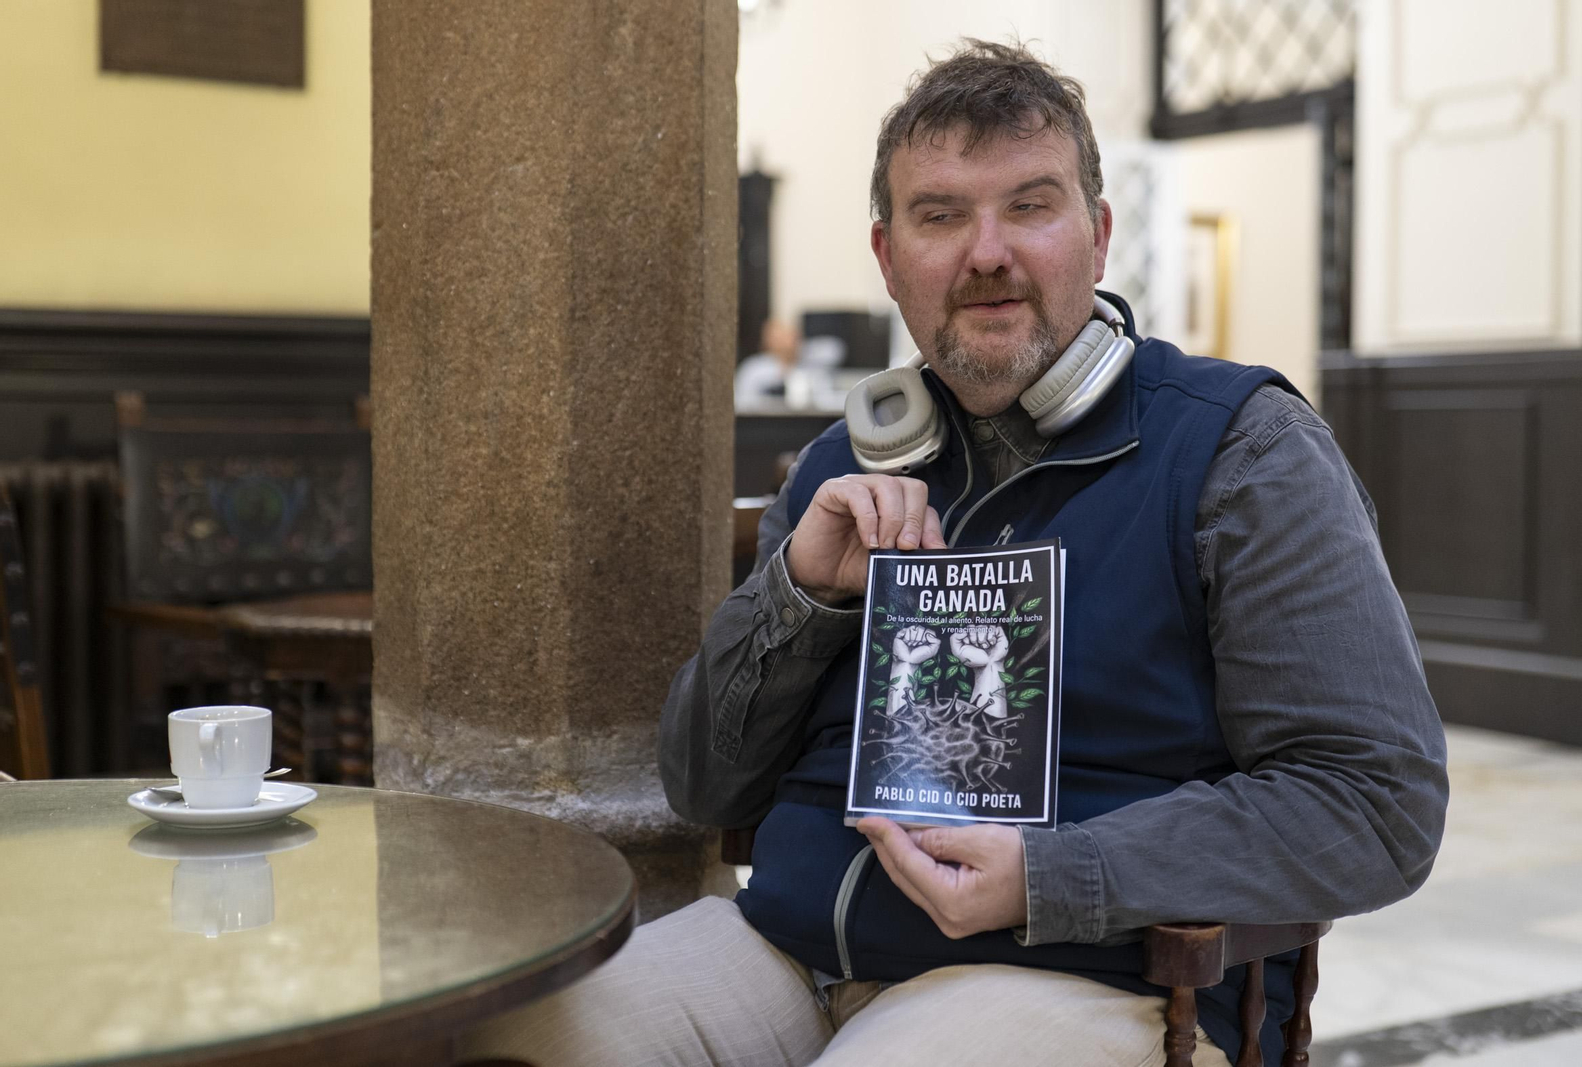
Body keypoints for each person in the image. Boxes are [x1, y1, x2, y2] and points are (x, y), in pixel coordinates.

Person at [459, 39, 1447, 1067]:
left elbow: (1377, 803)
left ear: (1098, 237)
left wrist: (1054, 871)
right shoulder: (843, 465)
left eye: (1030, 205)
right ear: (888, 259)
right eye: (940, 215)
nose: (986, 252)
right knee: (504, 1038)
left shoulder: (1243, 453)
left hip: (1080, 973)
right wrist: (801, 592)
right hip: (790, 949)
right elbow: (702, 785)